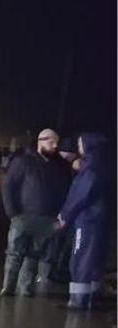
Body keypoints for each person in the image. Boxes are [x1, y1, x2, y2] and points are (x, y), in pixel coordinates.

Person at [0, 128, 73, 296]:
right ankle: (8, 288)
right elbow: (8, 186)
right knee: (14, 254)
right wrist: (12, 213)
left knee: (34, 255)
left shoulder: (58, 166)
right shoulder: (23, 161)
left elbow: (65, 190)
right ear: (41, 141)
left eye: (56, 142)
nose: (55, 146)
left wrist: (58, 217)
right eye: (51, 142)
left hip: (45, 219)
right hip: (23, 217)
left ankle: (25, 289)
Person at [55, 133, 112, 310]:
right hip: (99, 220)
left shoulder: (90, 169)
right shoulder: (102, 165)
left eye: (80, 144)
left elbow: (79, 196)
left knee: (80, 258)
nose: (78, 147)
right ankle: (91, 298)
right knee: (94, 259)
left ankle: (77, 301)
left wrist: (64, 216)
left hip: (87, 220)